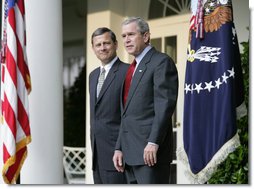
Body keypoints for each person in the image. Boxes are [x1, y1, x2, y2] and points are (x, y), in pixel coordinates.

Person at [113, 17, 179, 184]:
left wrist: (153, 142)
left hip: (150, 154)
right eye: (123, 36)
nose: (126, 40)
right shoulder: (131, 69)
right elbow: (126, 114)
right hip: (129, 155)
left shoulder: (161, 62)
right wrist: (119, 147)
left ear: (146, 36)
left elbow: (164, 107)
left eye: (131, 34)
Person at [89, 27, 128, 184]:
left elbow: (128, 114)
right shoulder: (93, 76)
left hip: (117, 154)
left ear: (116, 45)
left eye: (106, 43)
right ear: (93, 48)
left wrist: (120, 148)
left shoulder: (127, 72)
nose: (102, 48)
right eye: (98, 45)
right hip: (97, 154)